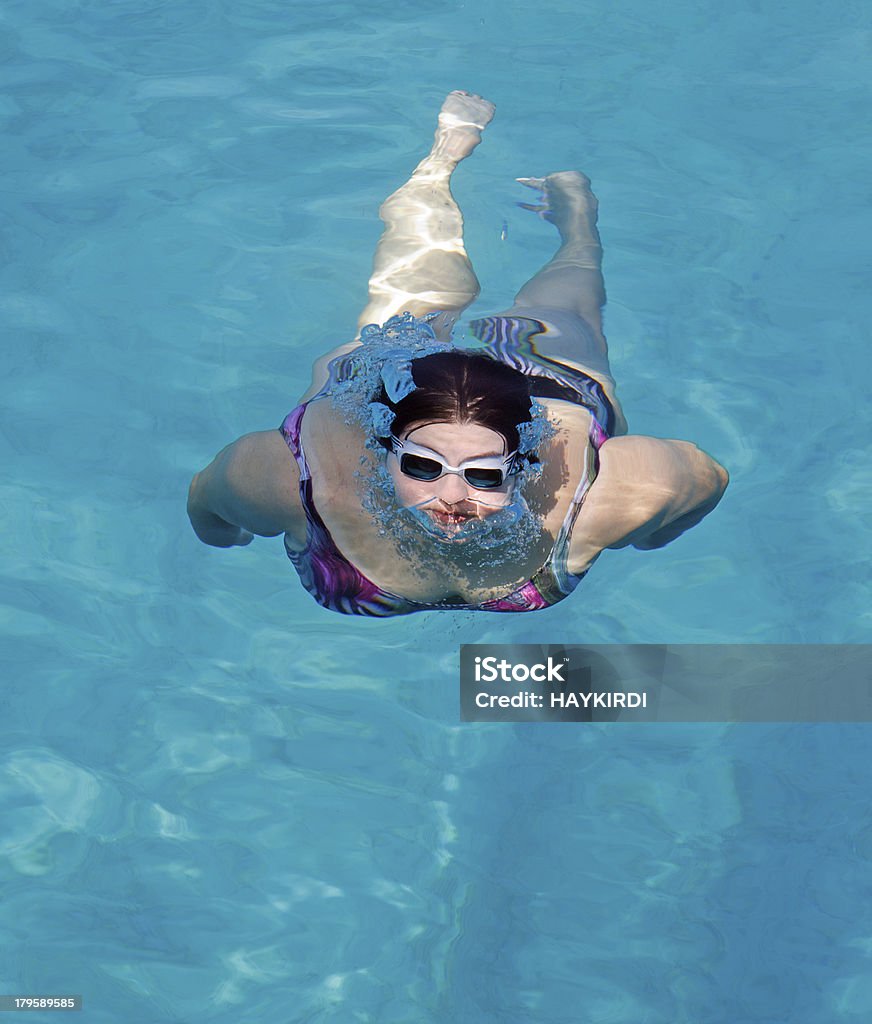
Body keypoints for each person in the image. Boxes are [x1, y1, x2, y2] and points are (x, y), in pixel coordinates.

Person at [187, 91, 728, 616]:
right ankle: (441, 159)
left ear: (524, 462)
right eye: (421, 465)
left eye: (485, 475)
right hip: (383, 374)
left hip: (551, 385)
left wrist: (654, 532)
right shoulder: (287, 480)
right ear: (384, 447)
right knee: (410, 295)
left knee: (564, 306)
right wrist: (224, 537)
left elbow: (709, 479)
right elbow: (206, 501)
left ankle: (579, 224)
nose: (451, 497)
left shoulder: (614, 493)